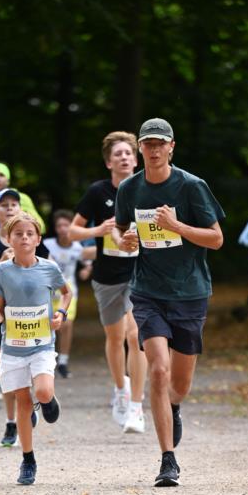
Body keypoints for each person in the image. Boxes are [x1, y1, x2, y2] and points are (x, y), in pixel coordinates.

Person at [113, 118, 224, 487]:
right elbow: (121, 228)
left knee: (180, 383)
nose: (154, 149)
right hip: (148, 291)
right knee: (157, 369)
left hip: (190, 292)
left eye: (161, 143)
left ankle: (173, 406)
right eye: (148, 144)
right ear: (141, 148)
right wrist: (126, 240)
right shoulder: (130, 189)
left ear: (172, 146)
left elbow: (216, 239)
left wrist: (178, 227)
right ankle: (167, 461)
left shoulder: (192, 187)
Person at [0, 213, 70, 486]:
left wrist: (61, 314)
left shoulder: (49, 269)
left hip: (42, 344)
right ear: (9, 239)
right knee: (21, 402)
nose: (24, 238)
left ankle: (46, 400)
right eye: (18, 233)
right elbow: (0, 308)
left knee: (42, 390)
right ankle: (28, 459)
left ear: (38, 239)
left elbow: (66, 293)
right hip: (12, 348)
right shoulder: (0, 271)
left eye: (29, 233)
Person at [68, 131, 147, 434]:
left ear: (136, 159)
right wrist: (98, 230)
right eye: (118, 154)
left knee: (135, 334)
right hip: (107, 276)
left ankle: (138, 407)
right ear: (108, 162)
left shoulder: (146, 188)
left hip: (140, 273)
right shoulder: (97, 192)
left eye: (128, 153)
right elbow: (73, 233)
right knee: (115, 338)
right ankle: (120, 389)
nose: (124, 157)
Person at [0, 189, 47, 445]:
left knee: (33, 361)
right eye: (4, 205)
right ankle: (12, 421)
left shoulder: (33, 238)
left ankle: (35, 399)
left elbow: (49, 273)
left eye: (15, 204)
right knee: (8, 367)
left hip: (29, 313)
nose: (10, 209)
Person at [44, 209, 94, 378]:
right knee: (50, 327)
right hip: (49, 293)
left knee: (66, 325)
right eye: (59, 225)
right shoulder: (47, 245)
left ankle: (63, 361)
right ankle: (48, 359)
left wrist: (87, 270)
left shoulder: (77, 247)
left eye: (66, 225)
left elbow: (88, 262)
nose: (63, 229)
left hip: (69, 292)